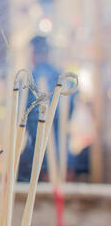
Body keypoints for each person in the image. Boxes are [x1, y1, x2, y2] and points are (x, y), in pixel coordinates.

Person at [17, 36, 75, 182]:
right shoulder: (60, 76)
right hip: (60, 151)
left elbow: (29, 116)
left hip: (41, 149)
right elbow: (69, 112)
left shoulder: (32, 78)